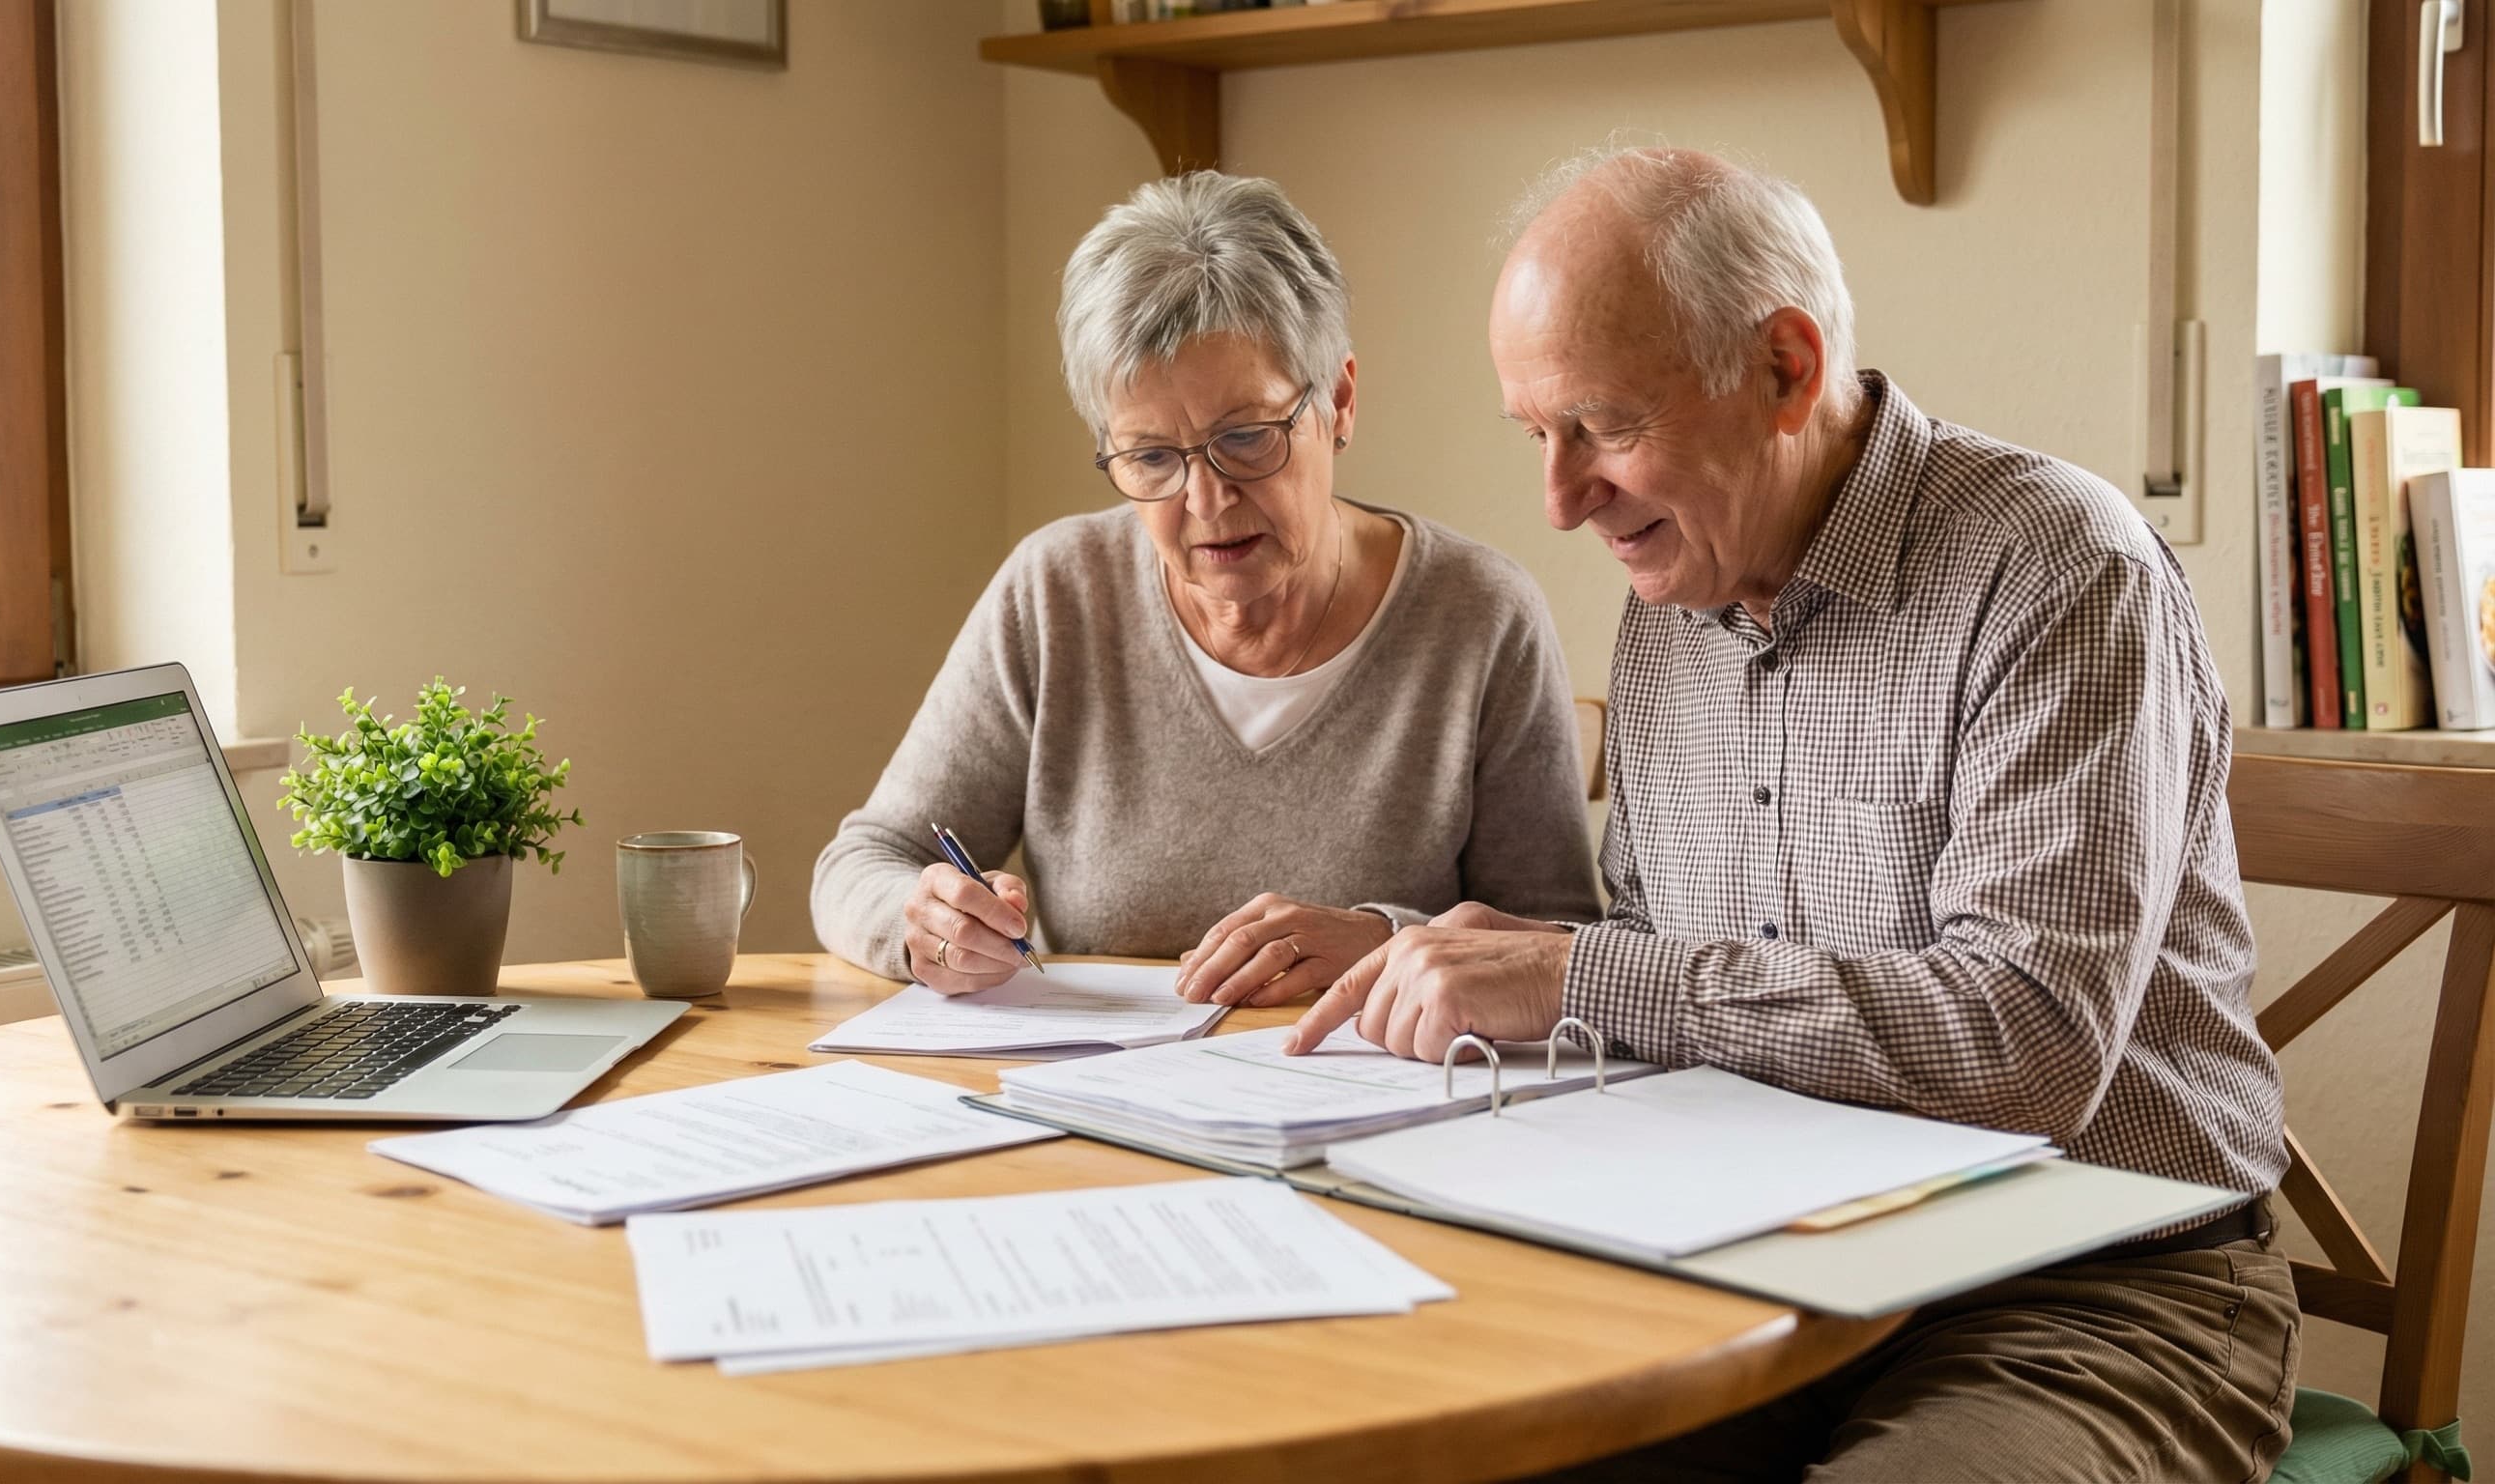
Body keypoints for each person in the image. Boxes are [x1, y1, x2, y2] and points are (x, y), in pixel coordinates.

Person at [1287, 146, 2297, 1481]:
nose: (1561, 497)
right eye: (1538, 434)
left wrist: (1575, 971)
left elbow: (2031, 1047)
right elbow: (1656, 972)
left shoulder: (2059, 569)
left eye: (1604, 425)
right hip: (1768, 1264)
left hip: (2096, 1288)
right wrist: (1412, 951)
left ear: (1785, 368)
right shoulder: (1670, 609)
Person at [812, 170, 1596, 1004]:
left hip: (1379, 1113)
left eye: (1247, 438)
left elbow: (1566, 949)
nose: (1207, 501)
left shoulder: (1479, 616)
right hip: (1093, 1104)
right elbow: (862, 862)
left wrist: (1389, 941)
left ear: (1339, 400)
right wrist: (921, 919)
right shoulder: (1055, 596)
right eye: (1151, 457)